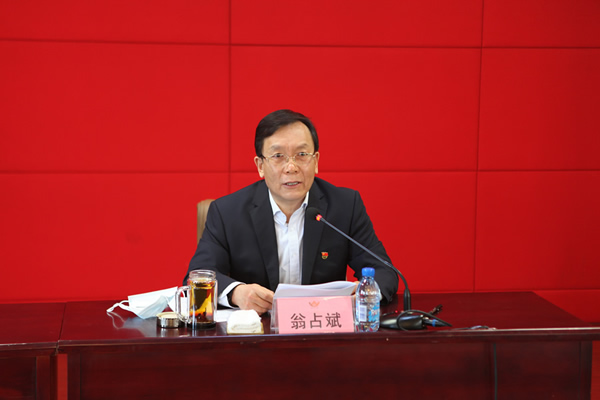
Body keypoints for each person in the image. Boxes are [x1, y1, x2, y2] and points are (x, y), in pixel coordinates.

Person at [184, 109, 398, 314]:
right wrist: (236, 293)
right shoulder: (227, 212)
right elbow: (197, 278)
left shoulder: (345, 206)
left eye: (302, 154)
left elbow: (384, 271)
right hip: (257, 331)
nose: (291, 167)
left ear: (316, 161)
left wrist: (364, 295)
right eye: (278, 156)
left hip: (322, 328)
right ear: (260, 166)